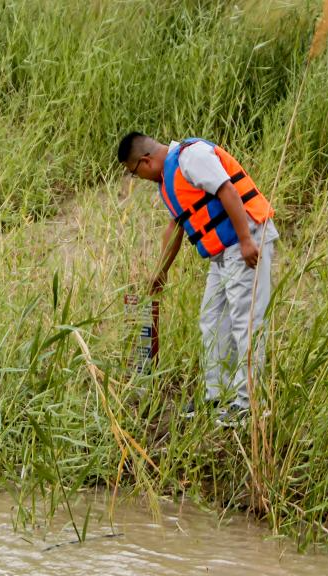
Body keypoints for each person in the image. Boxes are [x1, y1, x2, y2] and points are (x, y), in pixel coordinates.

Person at [117, 132, 278, 428]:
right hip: (222, 252)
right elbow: (176, 228)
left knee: (246, 323)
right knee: (212, 320)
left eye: (133, 172)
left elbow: (227, 190)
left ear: (145, 161)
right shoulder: (167, 182)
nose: (136, 177)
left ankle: (250, 404)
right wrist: (160, 272)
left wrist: (245, 240)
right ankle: (217, 395)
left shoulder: (191, 157)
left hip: (246, 240)